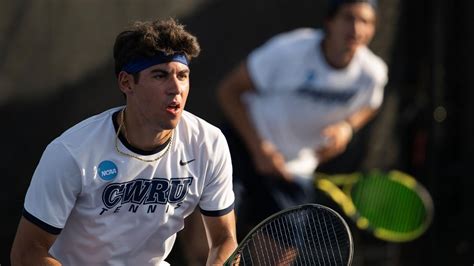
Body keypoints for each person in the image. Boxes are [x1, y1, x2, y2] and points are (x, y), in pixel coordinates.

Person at [10, 18, 237, 265]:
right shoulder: (71, 153)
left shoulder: (209, 143)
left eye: (182, 75)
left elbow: (224, 239)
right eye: (160, 75)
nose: (176, 88)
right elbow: (26, 254)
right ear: (126, 83)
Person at [216, 0, 388, 238]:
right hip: (242, 148)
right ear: (330, 21)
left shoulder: (373, 74)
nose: (357, 29)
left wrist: (347, 128)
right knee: (210, 245)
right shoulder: (289, 50)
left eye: (366, 22)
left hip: (295, 168)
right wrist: (259, 148)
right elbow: (229, 91)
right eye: (349, 18)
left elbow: (372, 105)